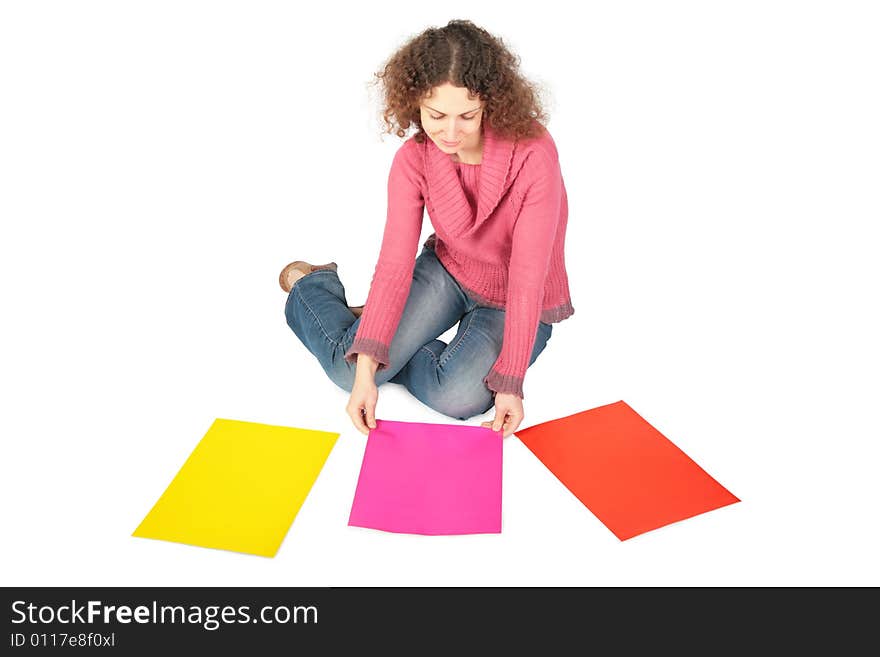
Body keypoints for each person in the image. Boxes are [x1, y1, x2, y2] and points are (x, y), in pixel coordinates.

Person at [280, 19, 574, 438]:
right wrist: (367, 369)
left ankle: (377, 337)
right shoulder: (411, 161)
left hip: (516, 299)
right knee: (349, 375)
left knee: (461, 397)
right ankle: (312, 286)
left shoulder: (532, 154)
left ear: (489, 103)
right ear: (415, 103)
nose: (450, 132)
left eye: (467, 116)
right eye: (436, 115)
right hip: (449, 273)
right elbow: (394, 265)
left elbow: (528, 277)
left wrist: (510, 383)